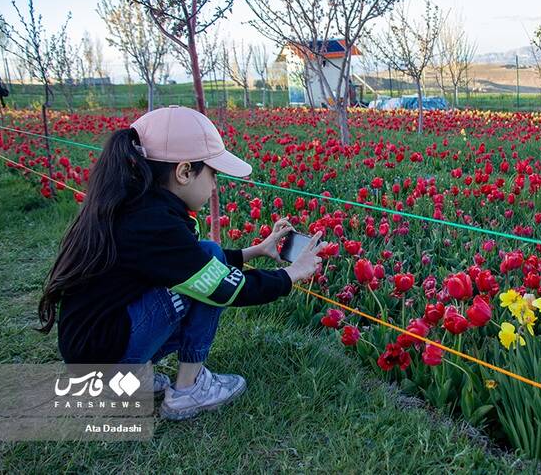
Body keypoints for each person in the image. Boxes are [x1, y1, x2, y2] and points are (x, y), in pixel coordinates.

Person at [38, 105, 326, 420]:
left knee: (207, 257)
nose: (216, 185)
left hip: (94, 348)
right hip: (103, 356)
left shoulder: (134, 204)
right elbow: (224, 288)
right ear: (184, 172)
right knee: (209, 279)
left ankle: (130, 380)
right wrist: (292, 274)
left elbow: (183, 259)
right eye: (213, 174)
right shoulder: (152, 223)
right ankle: (189, 390)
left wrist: (254, 251)